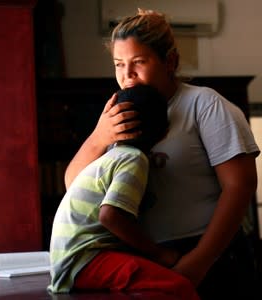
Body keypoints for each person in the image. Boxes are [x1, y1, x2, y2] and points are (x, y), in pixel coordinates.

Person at [64, 8, 261, 300]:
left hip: (211, 254)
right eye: (119, 64)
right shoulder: (119, 113)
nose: (127, 75)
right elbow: (74, 186)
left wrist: (198, 262)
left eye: (138, 62)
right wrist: (99, 137)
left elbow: (240, 186)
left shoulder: (204, 105)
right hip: (146, 257)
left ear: (170, 61)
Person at [48, 84, 200, 300]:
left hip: (69, 260)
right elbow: (110, 216)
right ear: (165, 132)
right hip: (85, 260)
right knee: (179, 287)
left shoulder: (111, 157)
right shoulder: (134, 160)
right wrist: (159, 254)